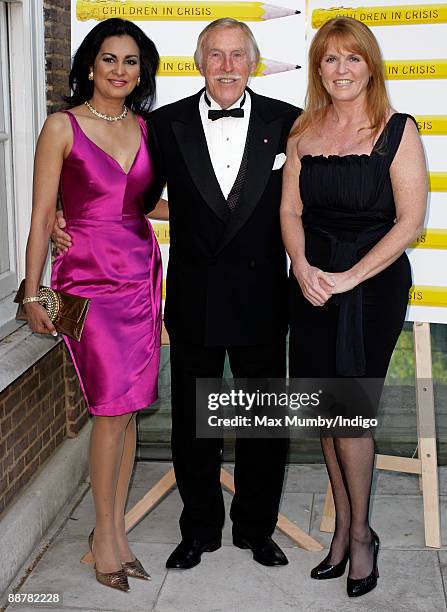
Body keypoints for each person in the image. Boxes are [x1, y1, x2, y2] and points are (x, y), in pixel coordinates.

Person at [56, 17, 299, 569]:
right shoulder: (161, 126)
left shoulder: (288, 123)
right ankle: (200, 530)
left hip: (262, 294)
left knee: (262, 423)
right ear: (198, 62)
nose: (227, 66)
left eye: (238, 55)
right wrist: (63, 217)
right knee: (194, 424)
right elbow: (128, 196)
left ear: (254, 63)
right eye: (216, 54)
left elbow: (308, 200)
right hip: (194, 295)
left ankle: (257, 530)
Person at [280, 17, 427, 598]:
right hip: (312, 281)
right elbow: (290, 213)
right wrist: (304, 269)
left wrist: (347, 279)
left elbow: (409, 222)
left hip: (371, 285)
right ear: (318, 68)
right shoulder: (302, 131)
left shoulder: (398, 130)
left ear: (370, 65)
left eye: (352, 58)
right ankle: (342, 528)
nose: (340, 70)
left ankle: (362, 536)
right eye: (329, 59)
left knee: (350, 410)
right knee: (323, 407)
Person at [23, 18, 162, 592]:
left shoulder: (151, 130)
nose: (119, 71)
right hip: (83, 285)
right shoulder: (62, 126)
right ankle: (104, 536)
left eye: (131, 61)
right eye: (109, 58)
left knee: (127, 413)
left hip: (141, 281)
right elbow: (39, 217)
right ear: (88, 64)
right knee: (109, 410)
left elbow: (157, 207)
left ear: (141, 71)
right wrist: (32, 292)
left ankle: (115, 533)